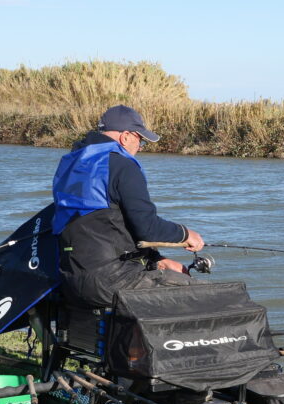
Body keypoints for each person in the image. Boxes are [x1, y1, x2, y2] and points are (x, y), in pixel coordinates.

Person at [51, 105, 204, 307]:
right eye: (140, 140)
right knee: (199, 295)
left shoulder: (72, 164)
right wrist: (185, 234)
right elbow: (147, 228)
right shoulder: (123, 166)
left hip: (71, 277)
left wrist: (156, 260)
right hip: (111, 280)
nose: (140, 147)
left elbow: (106, 225)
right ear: (126, 137)